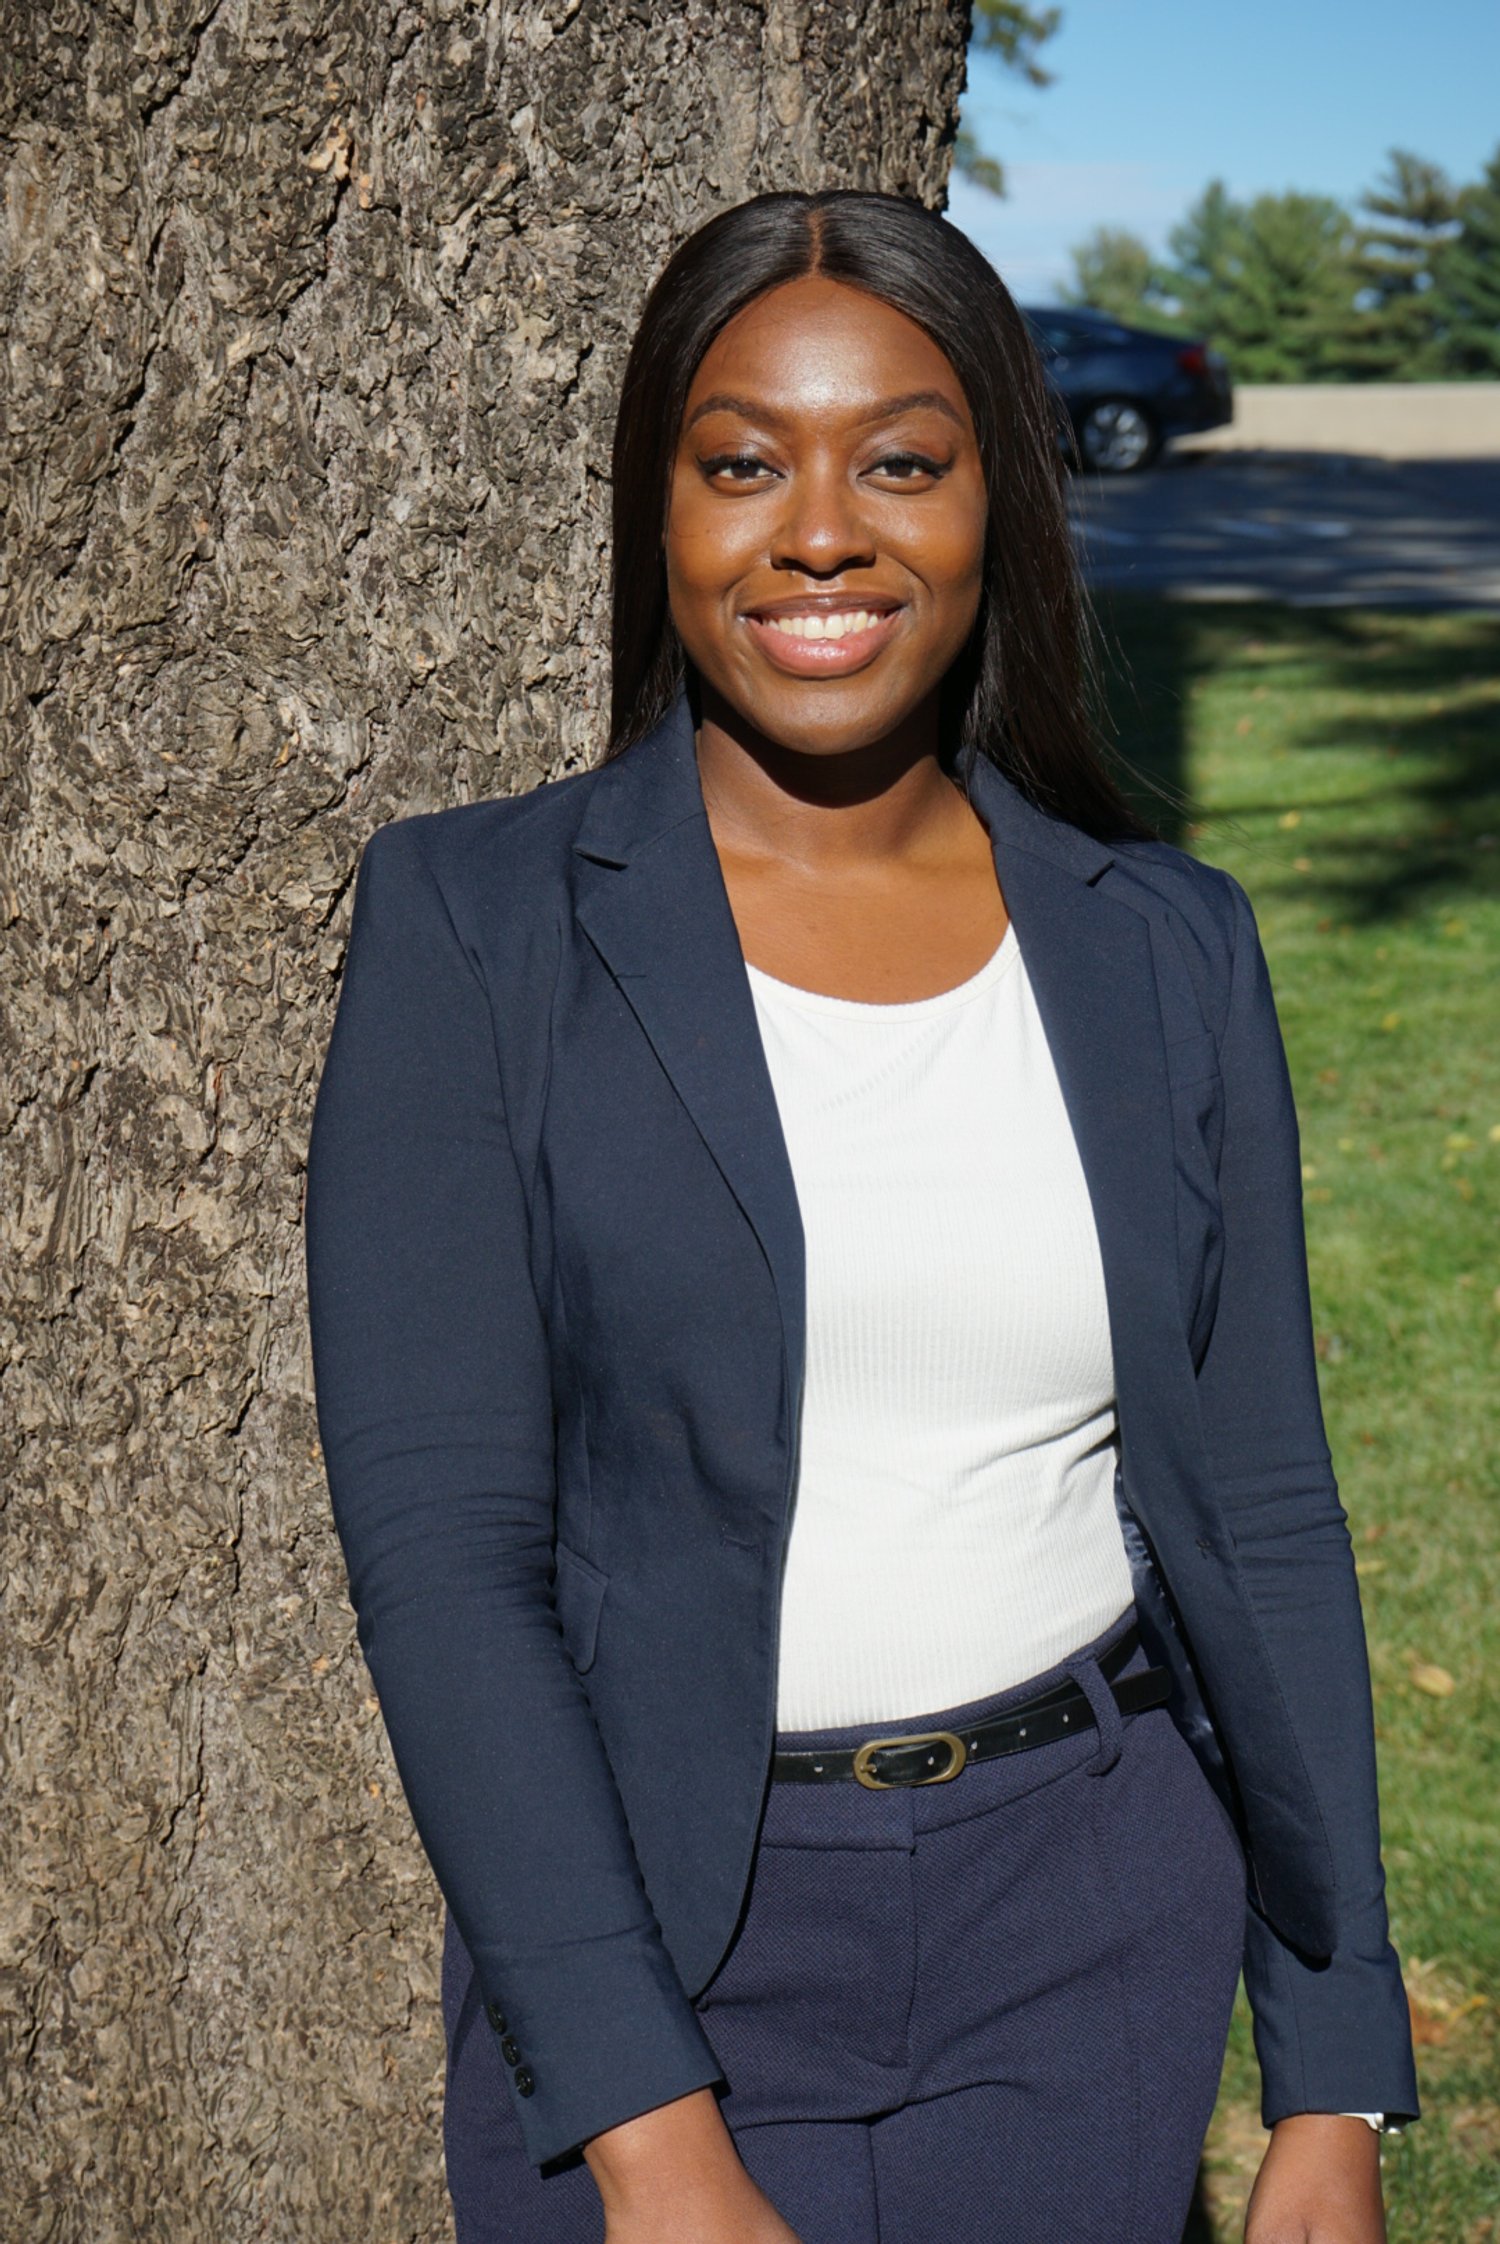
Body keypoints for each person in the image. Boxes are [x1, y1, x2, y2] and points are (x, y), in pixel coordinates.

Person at [302, 190, 1419, 2244]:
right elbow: (450, 1565)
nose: (820, 529)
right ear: (661, 508)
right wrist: (650, 2131)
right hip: (663, 1953)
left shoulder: (1168, 946)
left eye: (902, 459)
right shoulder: (473, 926)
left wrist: (1333, 2082)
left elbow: (1267, 1510)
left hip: (1087, 1923)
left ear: (1000, 498)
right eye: (742, 465)